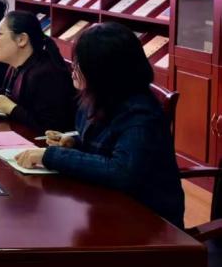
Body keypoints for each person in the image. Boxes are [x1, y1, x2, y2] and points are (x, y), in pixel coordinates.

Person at [15, 22, 184, 228]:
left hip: (147, 221)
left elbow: (121, 171)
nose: (73, 70)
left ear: (102, 70)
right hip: (107, 204)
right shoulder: (101, 97)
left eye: (79, 64)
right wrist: (74, 142)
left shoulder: (140, 112)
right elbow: (108, 145)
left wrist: (51, 156)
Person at [0, 10, 76, 133]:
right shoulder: (16, 66)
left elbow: (51, 127)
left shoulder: (46, 74)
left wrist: (12, 109)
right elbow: (11, 97)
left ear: (21, 39)